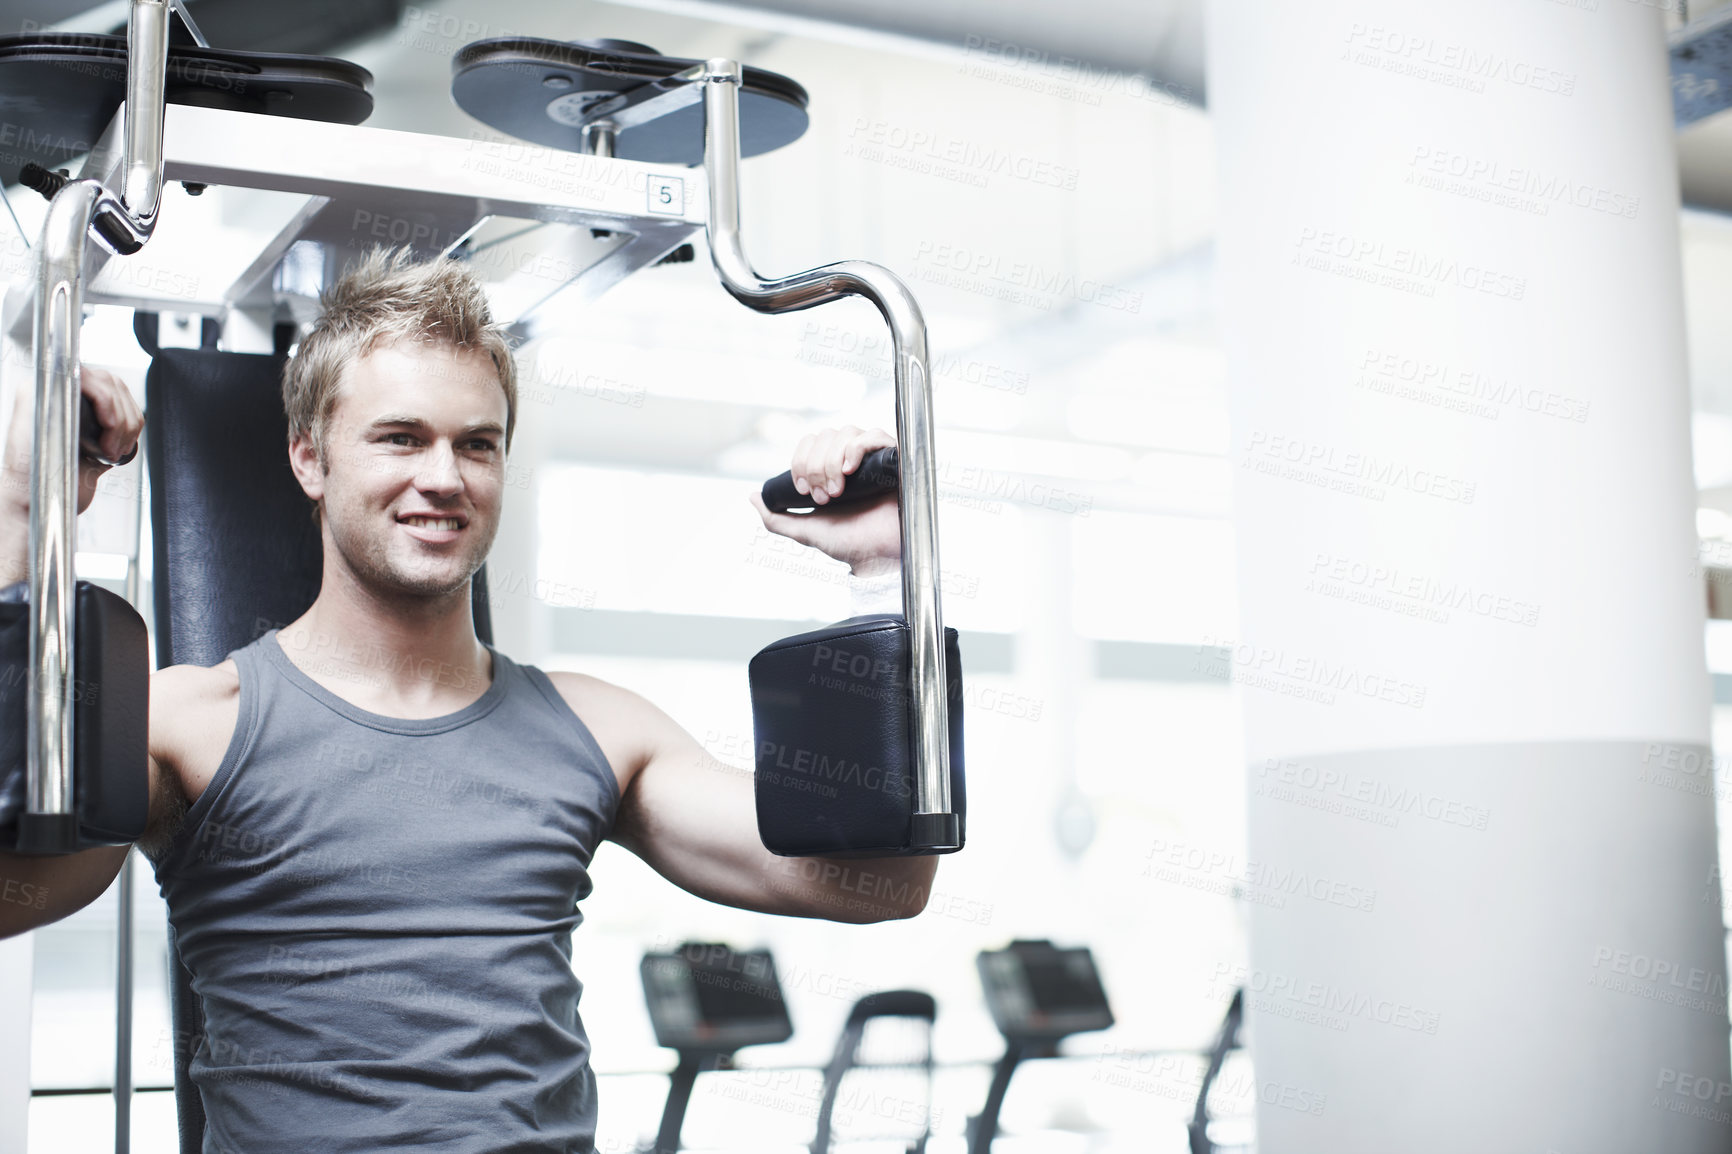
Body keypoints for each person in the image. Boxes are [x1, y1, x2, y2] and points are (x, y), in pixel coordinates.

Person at [0, 248, 936, 1152]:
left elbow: (876, 882)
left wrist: (885, 572)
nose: (443, 478)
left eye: (476, 445)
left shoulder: (599, 730)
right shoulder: (192, 723)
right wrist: (18, 511)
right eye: (400, 437)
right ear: (309, 459)